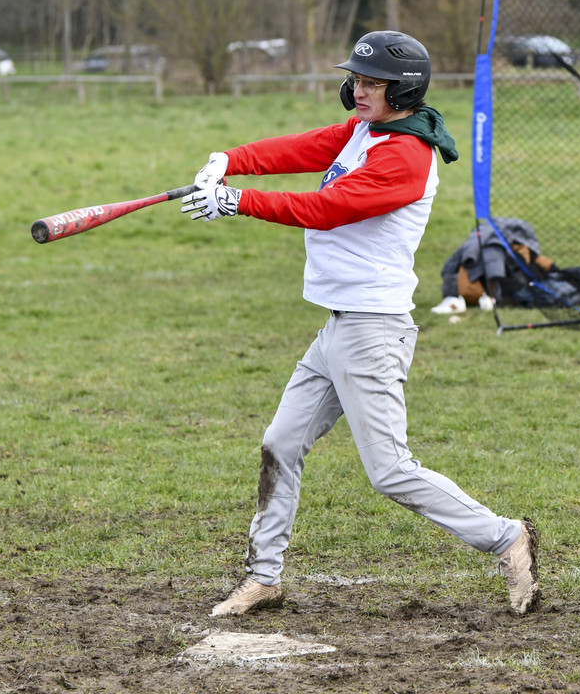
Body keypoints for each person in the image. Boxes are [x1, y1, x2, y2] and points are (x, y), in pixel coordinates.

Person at [182, 30, 540, 618]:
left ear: (403, 90)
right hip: (339, 329)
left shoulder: (404, 156)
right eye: (357, 79)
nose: (358, 89)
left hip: (372, 332)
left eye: (372, 82)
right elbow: (307, 147)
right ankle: (264, 576)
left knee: (390, 472)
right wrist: (232, 160)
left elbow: (326, 209)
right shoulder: (366, 132)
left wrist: (237, 201)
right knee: (280, 443)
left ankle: (506, 537)